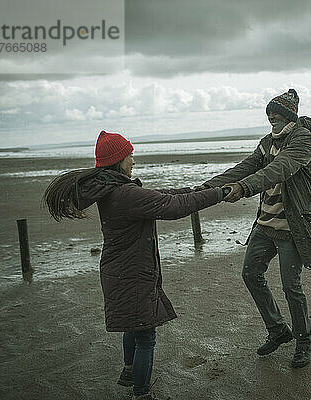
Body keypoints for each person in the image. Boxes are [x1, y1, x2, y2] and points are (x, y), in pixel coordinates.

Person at [43, 130, 228, 399]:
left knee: (134, 325)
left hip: (120, 270)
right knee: (145, 336)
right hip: (132, 274)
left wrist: (197, 190)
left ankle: (129, 371)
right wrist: (219, 194)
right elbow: (172, 207)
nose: (133, 160)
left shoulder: (111, 188)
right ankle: (141, 393)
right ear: (118, 160)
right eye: (130, 156)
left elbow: (164, 195)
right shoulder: (124, 194)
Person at [197, 89, 311, 368]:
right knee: (250, 274)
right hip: (265, 224)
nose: (271, 118)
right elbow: (246, 167)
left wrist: (244, 188)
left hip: (292, 227)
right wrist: (208, 186)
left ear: (289, 116)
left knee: (291, 287)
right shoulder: (266, 142)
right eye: (269, 115)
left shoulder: (302, 141)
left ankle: (304, 340)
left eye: (276, 115)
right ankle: (277, 329)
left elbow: (279, 169)